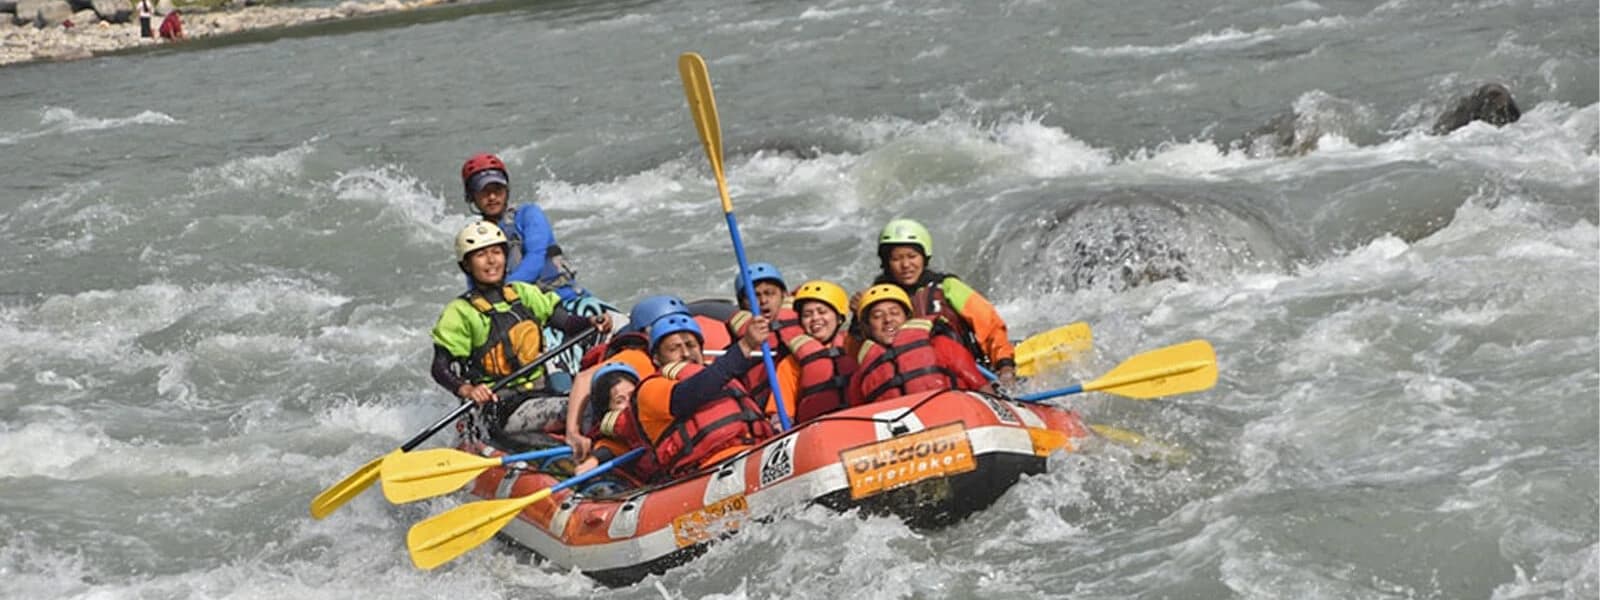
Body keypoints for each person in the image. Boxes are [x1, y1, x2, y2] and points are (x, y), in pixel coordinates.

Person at [429, 222, 611, 437]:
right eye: (480, 255)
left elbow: (565, 322)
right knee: (583, 409)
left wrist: (590, 321)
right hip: (501, 408)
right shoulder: (460, 312)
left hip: (542, 392)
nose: (491, 260)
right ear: (467, 265)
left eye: (496, 252)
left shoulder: (524, 294)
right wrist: (468, 390)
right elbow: (440, 368)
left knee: (606, 395)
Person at [604, 312, 777, 482]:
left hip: (754, 451)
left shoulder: (726, 378)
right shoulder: (650, 389)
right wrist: (745, 346)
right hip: (704, 473)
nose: (686, 353)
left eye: (691, 345)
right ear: (656, 359)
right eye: (674, 348)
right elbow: (689, 394)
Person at [867, 218, 1017, 385]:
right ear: (886, 263)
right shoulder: (877, 299)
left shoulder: (948, 287)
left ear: (924, 257)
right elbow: (862, 354)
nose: (906, 265)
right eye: (896, 259)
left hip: (961, 373)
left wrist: (1005, 367)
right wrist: (857, 325)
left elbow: (989, 325)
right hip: (912, 382)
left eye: (912, 256)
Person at [563, 294, 689, 460]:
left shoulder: (688, 354)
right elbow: (584, 379)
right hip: (592, 408)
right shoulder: (639, 358)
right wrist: (572, 432)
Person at [458, 153, 582, 300]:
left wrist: (502, 293)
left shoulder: (529, 215)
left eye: (497, 189)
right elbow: (475, 281)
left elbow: (535, 258)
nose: (492, 197)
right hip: (516, 309)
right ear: (471, 196)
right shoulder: (474, 236)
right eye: (484, 191)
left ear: (506, 190)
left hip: (562, 297)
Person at [848, 284, 995, 406]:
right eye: (877, 316)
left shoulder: (940, 345)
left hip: (952, 417)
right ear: (867, 327)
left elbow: (981, 386)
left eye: (895, 313)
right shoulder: (862, 373)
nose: (887, 320)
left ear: (907, 319)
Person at [771, 280, 857, 422]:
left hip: (861, 422)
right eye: (807, 315)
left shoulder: (856, 348)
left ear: (840, 318)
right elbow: (781, 416)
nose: (815, 318)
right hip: (818, 431)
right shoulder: (789, 364)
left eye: (822, 312)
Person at [572, 362, 643, 475]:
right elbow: (611, 446)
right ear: (606, 409)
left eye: (632, 396)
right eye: (619, 401)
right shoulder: (610, 433)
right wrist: (594, 460)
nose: (629, 405)